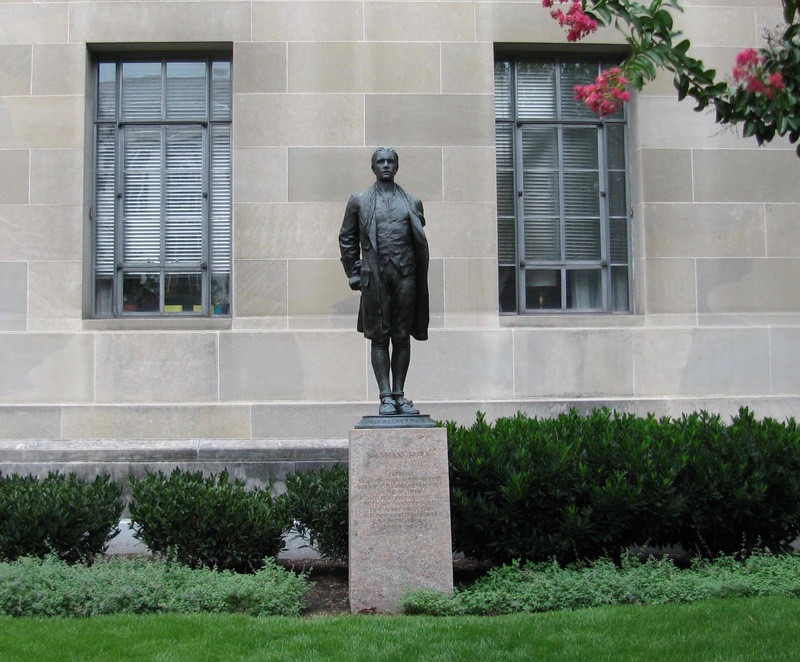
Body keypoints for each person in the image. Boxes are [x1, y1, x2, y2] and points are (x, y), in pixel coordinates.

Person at [339, 147, 430, 416]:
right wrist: (353, 272)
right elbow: (346, 238)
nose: (386, 165)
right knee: (379, 337)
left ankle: (399, 394)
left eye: (391, 161)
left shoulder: (412, 202)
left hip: (405, 276)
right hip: (374, 278)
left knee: (402, 336)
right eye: (381, 161)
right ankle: (385, 396)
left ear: (397, 166)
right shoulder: (359, 200)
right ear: (373, 167)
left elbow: (417, 241)